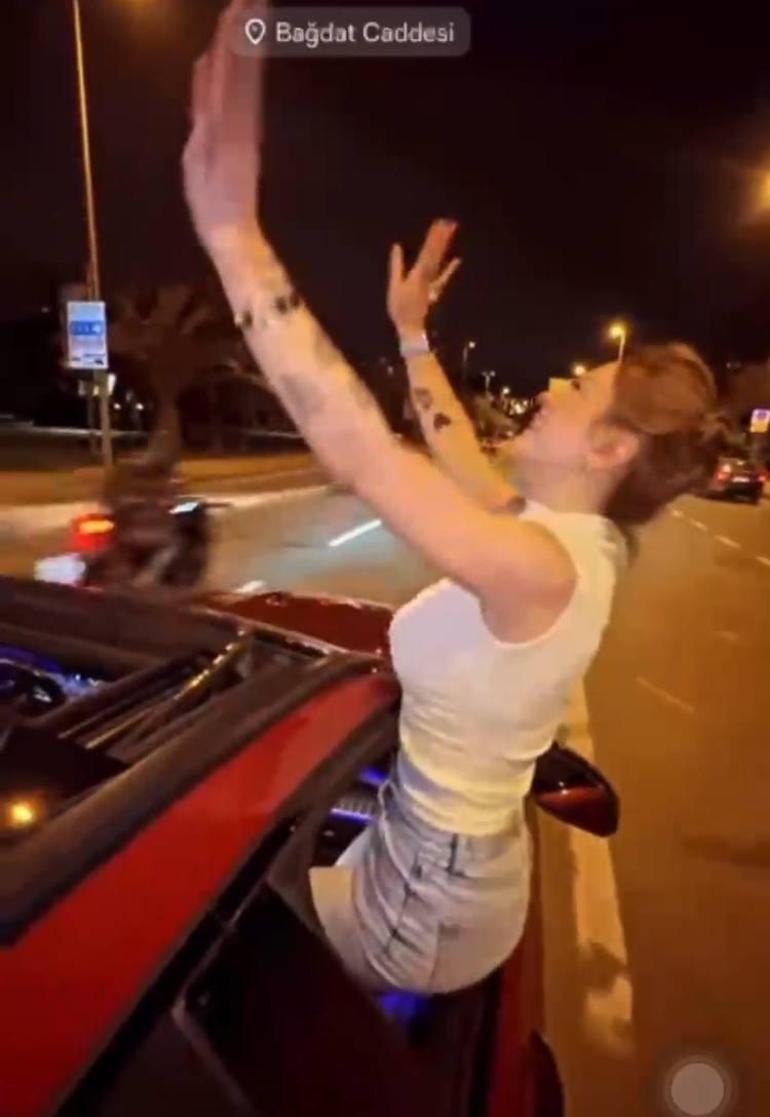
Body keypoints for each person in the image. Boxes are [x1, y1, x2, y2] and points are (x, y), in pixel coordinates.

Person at [182, 0, 730, 994]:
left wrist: (234, 238)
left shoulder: (541, 566)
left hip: (423, 902)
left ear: (609, 447)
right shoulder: (562, 535)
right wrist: (410, 335)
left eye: (579, 391)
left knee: (200, 954)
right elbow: (447, 446)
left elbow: (361, 451)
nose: (555, 389)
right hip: (427, 865)